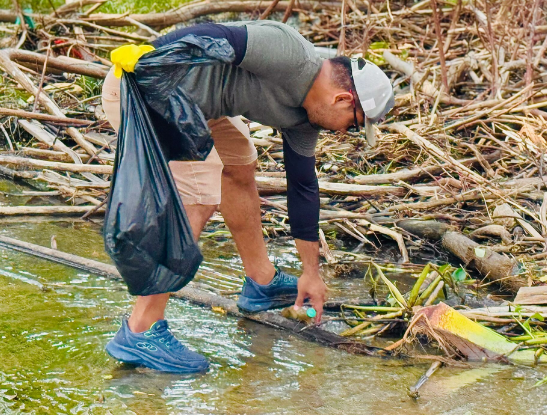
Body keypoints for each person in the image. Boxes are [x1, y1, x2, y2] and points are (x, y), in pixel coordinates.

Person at [101, 20, 394, 373]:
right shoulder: (289, 53)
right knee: (200, 194)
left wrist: (310, 273)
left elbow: (302, 187)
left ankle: (261, 282)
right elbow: (212, 34)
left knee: (239, 165)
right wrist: (150, 59)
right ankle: (140, 330)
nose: (346, 132)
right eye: (353, 123)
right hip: (145, 90)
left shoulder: (305, 119)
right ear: (343, 99)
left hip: (199, 106)